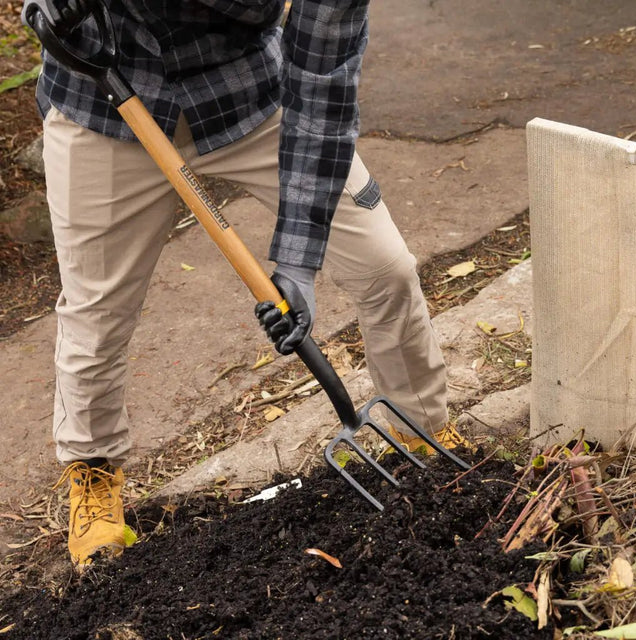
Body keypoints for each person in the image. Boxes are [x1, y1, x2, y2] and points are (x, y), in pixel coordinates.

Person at [28, 0, 455, 569]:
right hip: (104, 104)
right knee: (96, 309)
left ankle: (419, 429)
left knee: (385, 266)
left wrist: (298, 264)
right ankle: (92, 470)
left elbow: (323, 81)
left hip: (247, 99)